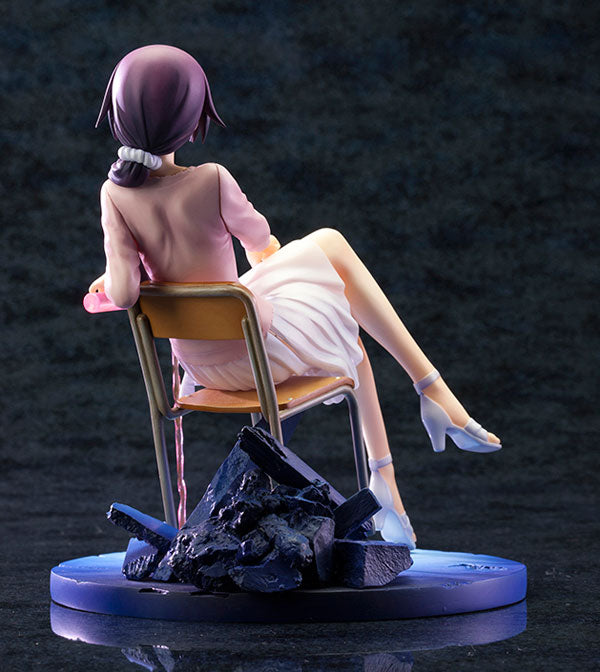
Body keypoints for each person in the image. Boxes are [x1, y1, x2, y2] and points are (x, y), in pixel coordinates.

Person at [89, 45, 501, 549]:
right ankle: (418, 420)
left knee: (337, 303)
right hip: (254, 356)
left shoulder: (114, 195)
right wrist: (280, 267)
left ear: (117, 116)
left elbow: (125, 292)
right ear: (192, 121)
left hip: (198, 371)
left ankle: (403, 456)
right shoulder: (212, 179)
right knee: (335, 271)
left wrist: (120, 273)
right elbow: (261, 244)